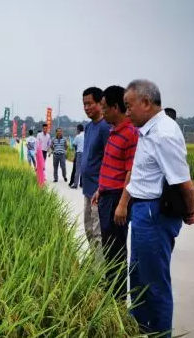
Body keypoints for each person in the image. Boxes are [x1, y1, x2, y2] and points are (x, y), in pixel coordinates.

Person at [124, 79, 194, 336]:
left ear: (145, 102)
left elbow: (185, 184)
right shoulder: (150, 129)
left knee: (155, 281)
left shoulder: (163, 133)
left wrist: (190, 212)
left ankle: (160, 332)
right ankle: (141, 324)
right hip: (143, 212)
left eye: (129, 105)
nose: (127, 112)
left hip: (154, 214)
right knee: (139, 274)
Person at [91, 86, 138, 300]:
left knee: (116, 250)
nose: (103, 112)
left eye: (105, 108)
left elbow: (131, 171)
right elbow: (111, 165)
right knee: (108, 247)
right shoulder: (113, 130)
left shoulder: (130, 133)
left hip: (116, 200)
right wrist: (100, 189)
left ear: (116, 108)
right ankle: (110, 290)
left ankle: (117, 299)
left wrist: (122, 204)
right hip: (106, 195)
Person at [80, 87, 110, 248]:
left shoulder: (105, 127)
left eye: (89, 103)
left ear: (100, 102)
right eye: (84, 104)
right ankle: (92, 266)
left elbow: (109, 159)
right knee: (89, 230)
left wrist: (102, 187)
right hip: (87, 188)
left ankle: (99, 271)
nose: (86, 108)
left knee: (98, 233)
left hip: (99, 191)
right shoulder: (89, 127)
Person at [70, 124, 84, 189]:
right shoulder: (86, 135)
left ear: (78, 129)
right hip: (86, 153)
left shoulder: (78, 136)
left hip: (79, 153)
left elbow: (73, 144)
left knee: (77, 170)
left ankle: (75, 184)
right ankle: (82, 183)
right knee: (83, 169)